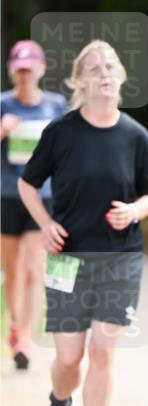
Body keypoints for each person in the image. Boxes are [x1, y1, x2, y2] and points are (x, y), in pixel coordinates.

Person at [18, 40, 148, 406]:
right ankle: (58, 405)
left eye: (110, 67)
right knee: (68, 358)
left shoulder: (136, 135)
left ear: (120, 76)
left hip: (121, 257)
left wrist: (135, 210)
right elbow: (28, 183)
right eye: (93, 69)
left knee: (102, 351)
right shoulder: (61, 132)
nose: (103, 73)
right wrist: (45, 224)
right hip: (68, 258)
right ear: (79, 81)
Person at [1, 40, 67, 369]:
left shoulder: (56, 106)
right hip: (7, 196)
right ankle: (15, 326)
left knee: (32, 268)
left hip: (42, 198)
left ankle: (25, 335)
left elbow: (70, 147)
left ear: (41, 70)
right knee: (12, 272)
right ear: (13, 71)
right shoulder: (2, 104)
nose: (25, 76)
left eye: (30, 70)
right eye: (20, 71)